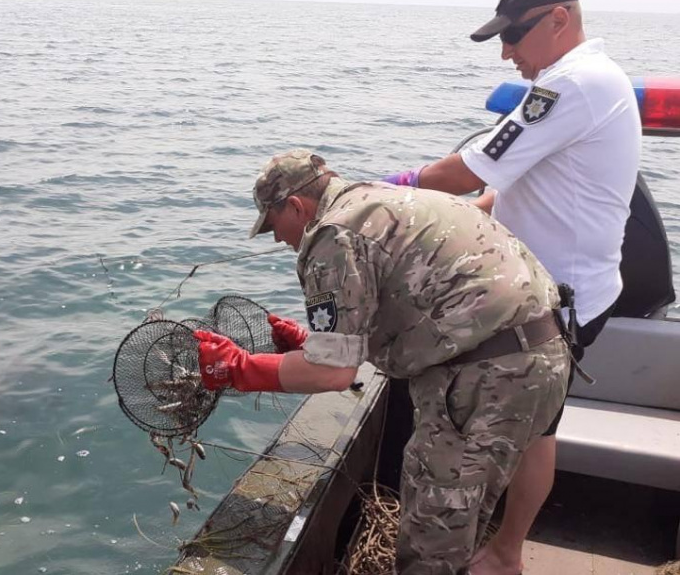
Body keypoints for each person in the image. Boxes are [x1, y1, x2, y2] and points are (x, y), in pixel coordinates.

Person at [195, 149, 570, 575]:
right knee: (466, 511)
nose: (279, 239)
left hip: (488, 377)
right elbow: (416, 302)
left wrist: (238, 369)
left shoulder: (332, 235)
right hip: (544, 352)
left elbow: (334, 372)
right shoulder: (383, 199)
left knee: (435, 534)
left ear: (296, 207)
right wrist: (308, 341)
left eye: (274, 226)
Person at [384, 0, 641, 572]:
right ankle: (503, 548)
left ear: (558, 18)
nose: (507, 53)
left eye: (514, 37)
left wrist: (385, 190)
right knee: (537, 430)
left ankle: (504, 552)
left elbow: (471, 169)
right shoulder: (579, 79)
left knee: (531, 433)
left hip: (558, 300)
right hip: (557, 288)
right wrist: (461, 218)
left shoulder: (572, 84)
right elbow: (509, 187)